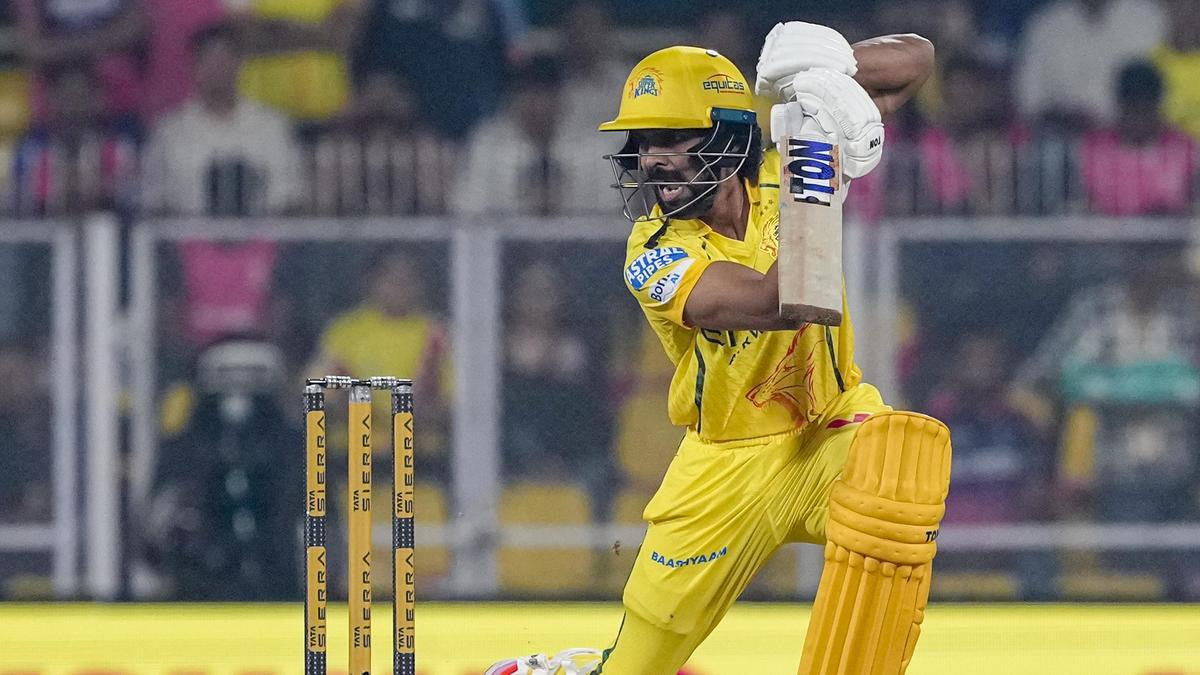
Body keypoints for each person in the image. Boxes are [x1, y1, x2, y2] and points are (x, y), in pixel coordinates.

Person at [488, 22, 946, 675]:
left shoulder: (784, 162)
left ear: (731, 138)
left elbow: (918, 60)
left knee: (899, 464)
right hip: (726, 464)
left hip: (828, 427)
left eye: (674, 138)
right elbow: (787, 302)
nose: (654, 160)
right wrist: (818, 167)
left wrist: (825, 75)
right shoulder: (655, 251)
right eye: (643, 142)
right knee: (636, 669)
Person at [141, 20, 301, 216]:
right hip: (190, 232)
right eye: (210, 60)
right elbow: (154, 201)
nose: (218, 68)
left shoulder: (272, 126)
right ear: (195, 67)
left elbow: (290, 199)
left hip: (263, 232)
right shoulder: (170, 131)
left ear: (240, 64)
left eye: (226, 59)